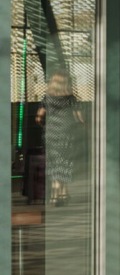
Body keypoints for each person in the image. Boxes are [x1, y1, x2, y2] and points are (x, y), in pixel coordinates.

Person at [42, 70, 84, 207]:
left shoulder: (46, 98)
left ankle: (56, 195)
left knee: (54, 163)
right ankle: (62, 193)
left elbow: (39, 116)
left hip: (51, 134)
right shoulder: (71, 98)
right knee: (64, 162)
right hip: (66, 133)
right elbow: (80, 118)